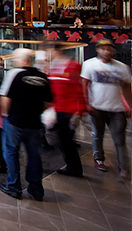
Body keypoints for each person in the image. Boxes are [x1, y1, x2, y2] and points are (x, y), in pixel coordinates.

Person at [0, 49, 52, 201]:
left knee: (11, 152)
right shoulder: (43, 76)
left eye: (16, 59)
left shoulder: (15, 74)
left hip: (15, 121)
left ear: (24, 60)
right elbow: (47, 102)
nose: (14, 61)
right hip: (34, 122)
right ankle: (36, 189)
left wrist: (5, 117)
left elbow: (5, 98)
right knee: (34, 155)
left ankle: (13, 186)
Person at [81, 40, 131, 178]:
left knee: (119, 139)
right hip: (97, 107)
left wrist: (129, 105)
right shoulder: (89, 65)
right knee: (97, 134)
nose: (107, 52)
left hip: (116, 108)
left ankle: (123, 167)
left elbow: (126, 87)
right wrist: (87, 103)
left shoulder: (122, 68)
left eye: (109, 49)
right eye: (104, 49)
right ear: (98, 50)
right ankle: (99, 159)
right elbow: (84, 84)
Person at [49, 43, 86, 177]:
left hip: (68, 110)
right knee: (62, 139)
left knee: (65, 140)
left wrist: (79, 110)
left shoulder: (72, 66)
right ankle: (72, 165)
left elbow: (78, 89)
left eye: (51, 51)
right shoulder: (53, 67)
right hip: (58, 109)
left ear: (57, 51)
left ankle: (74, 168)